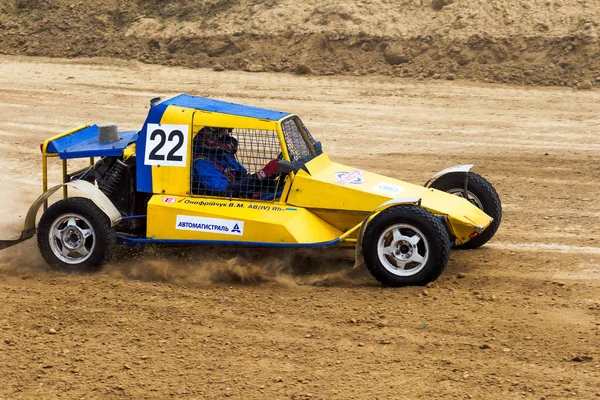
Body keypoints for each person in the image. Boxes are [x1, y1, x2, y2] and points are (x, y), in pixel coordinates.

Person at [192, 127, 281, 198]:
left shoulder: (222, 156)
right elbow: (226, 191)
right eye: (222, 134)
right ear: (209, 138)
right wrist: (262, 173)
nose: (228, 137)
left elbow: (244, 179)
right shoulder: (201, 164)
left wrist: (270, 174)